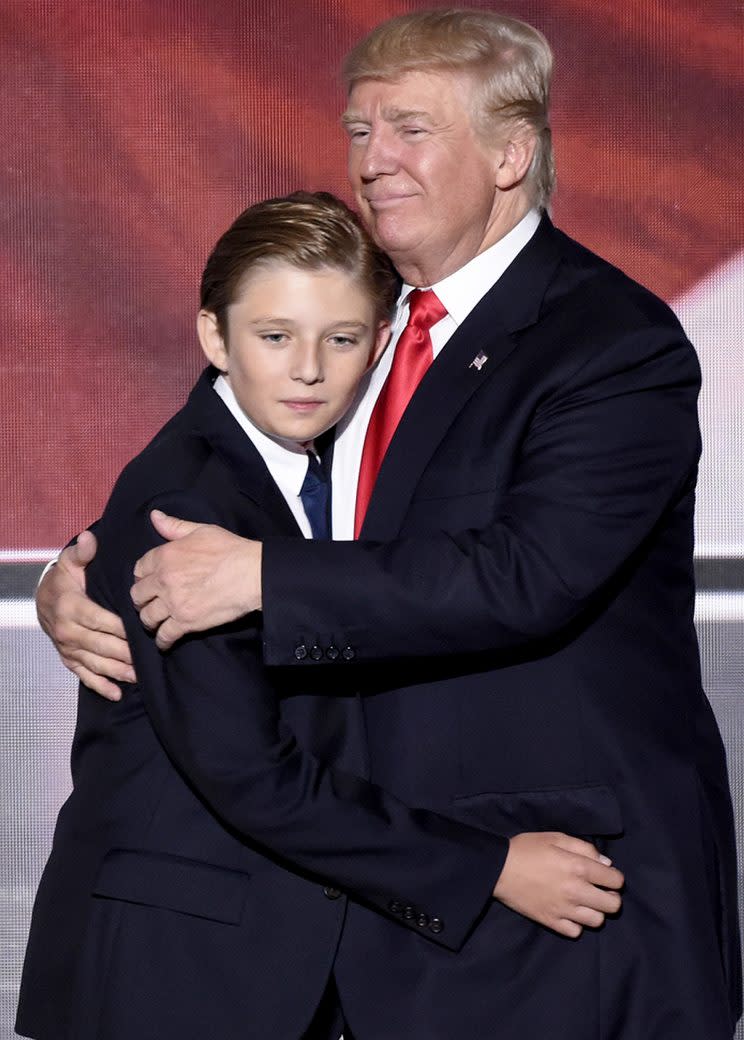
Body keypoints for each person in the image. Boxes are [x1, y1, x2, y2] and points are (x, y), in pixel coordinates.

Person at [36, 9, 741, 1040]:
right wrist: (89, 575)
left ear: (511, 153)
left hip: (560, 908)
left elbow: (528, 572)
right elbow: (216, 470)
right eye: (360, 132)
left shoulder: (610, 343)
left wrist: (265, 579)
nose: (374, 162)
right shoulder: (346, 316)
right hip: (368, 922)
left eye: (410, 130)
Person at [17, 191, 623, 1040]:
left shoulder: (346, 466)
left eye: (339, 339)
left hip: (282, 961)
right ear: (213, 337)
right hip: (175, 973)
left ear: (380, 344)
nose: (308, 369)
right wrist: (489, 867)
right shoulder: (184, 504)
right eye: (275, 337)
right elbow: (247, 774)